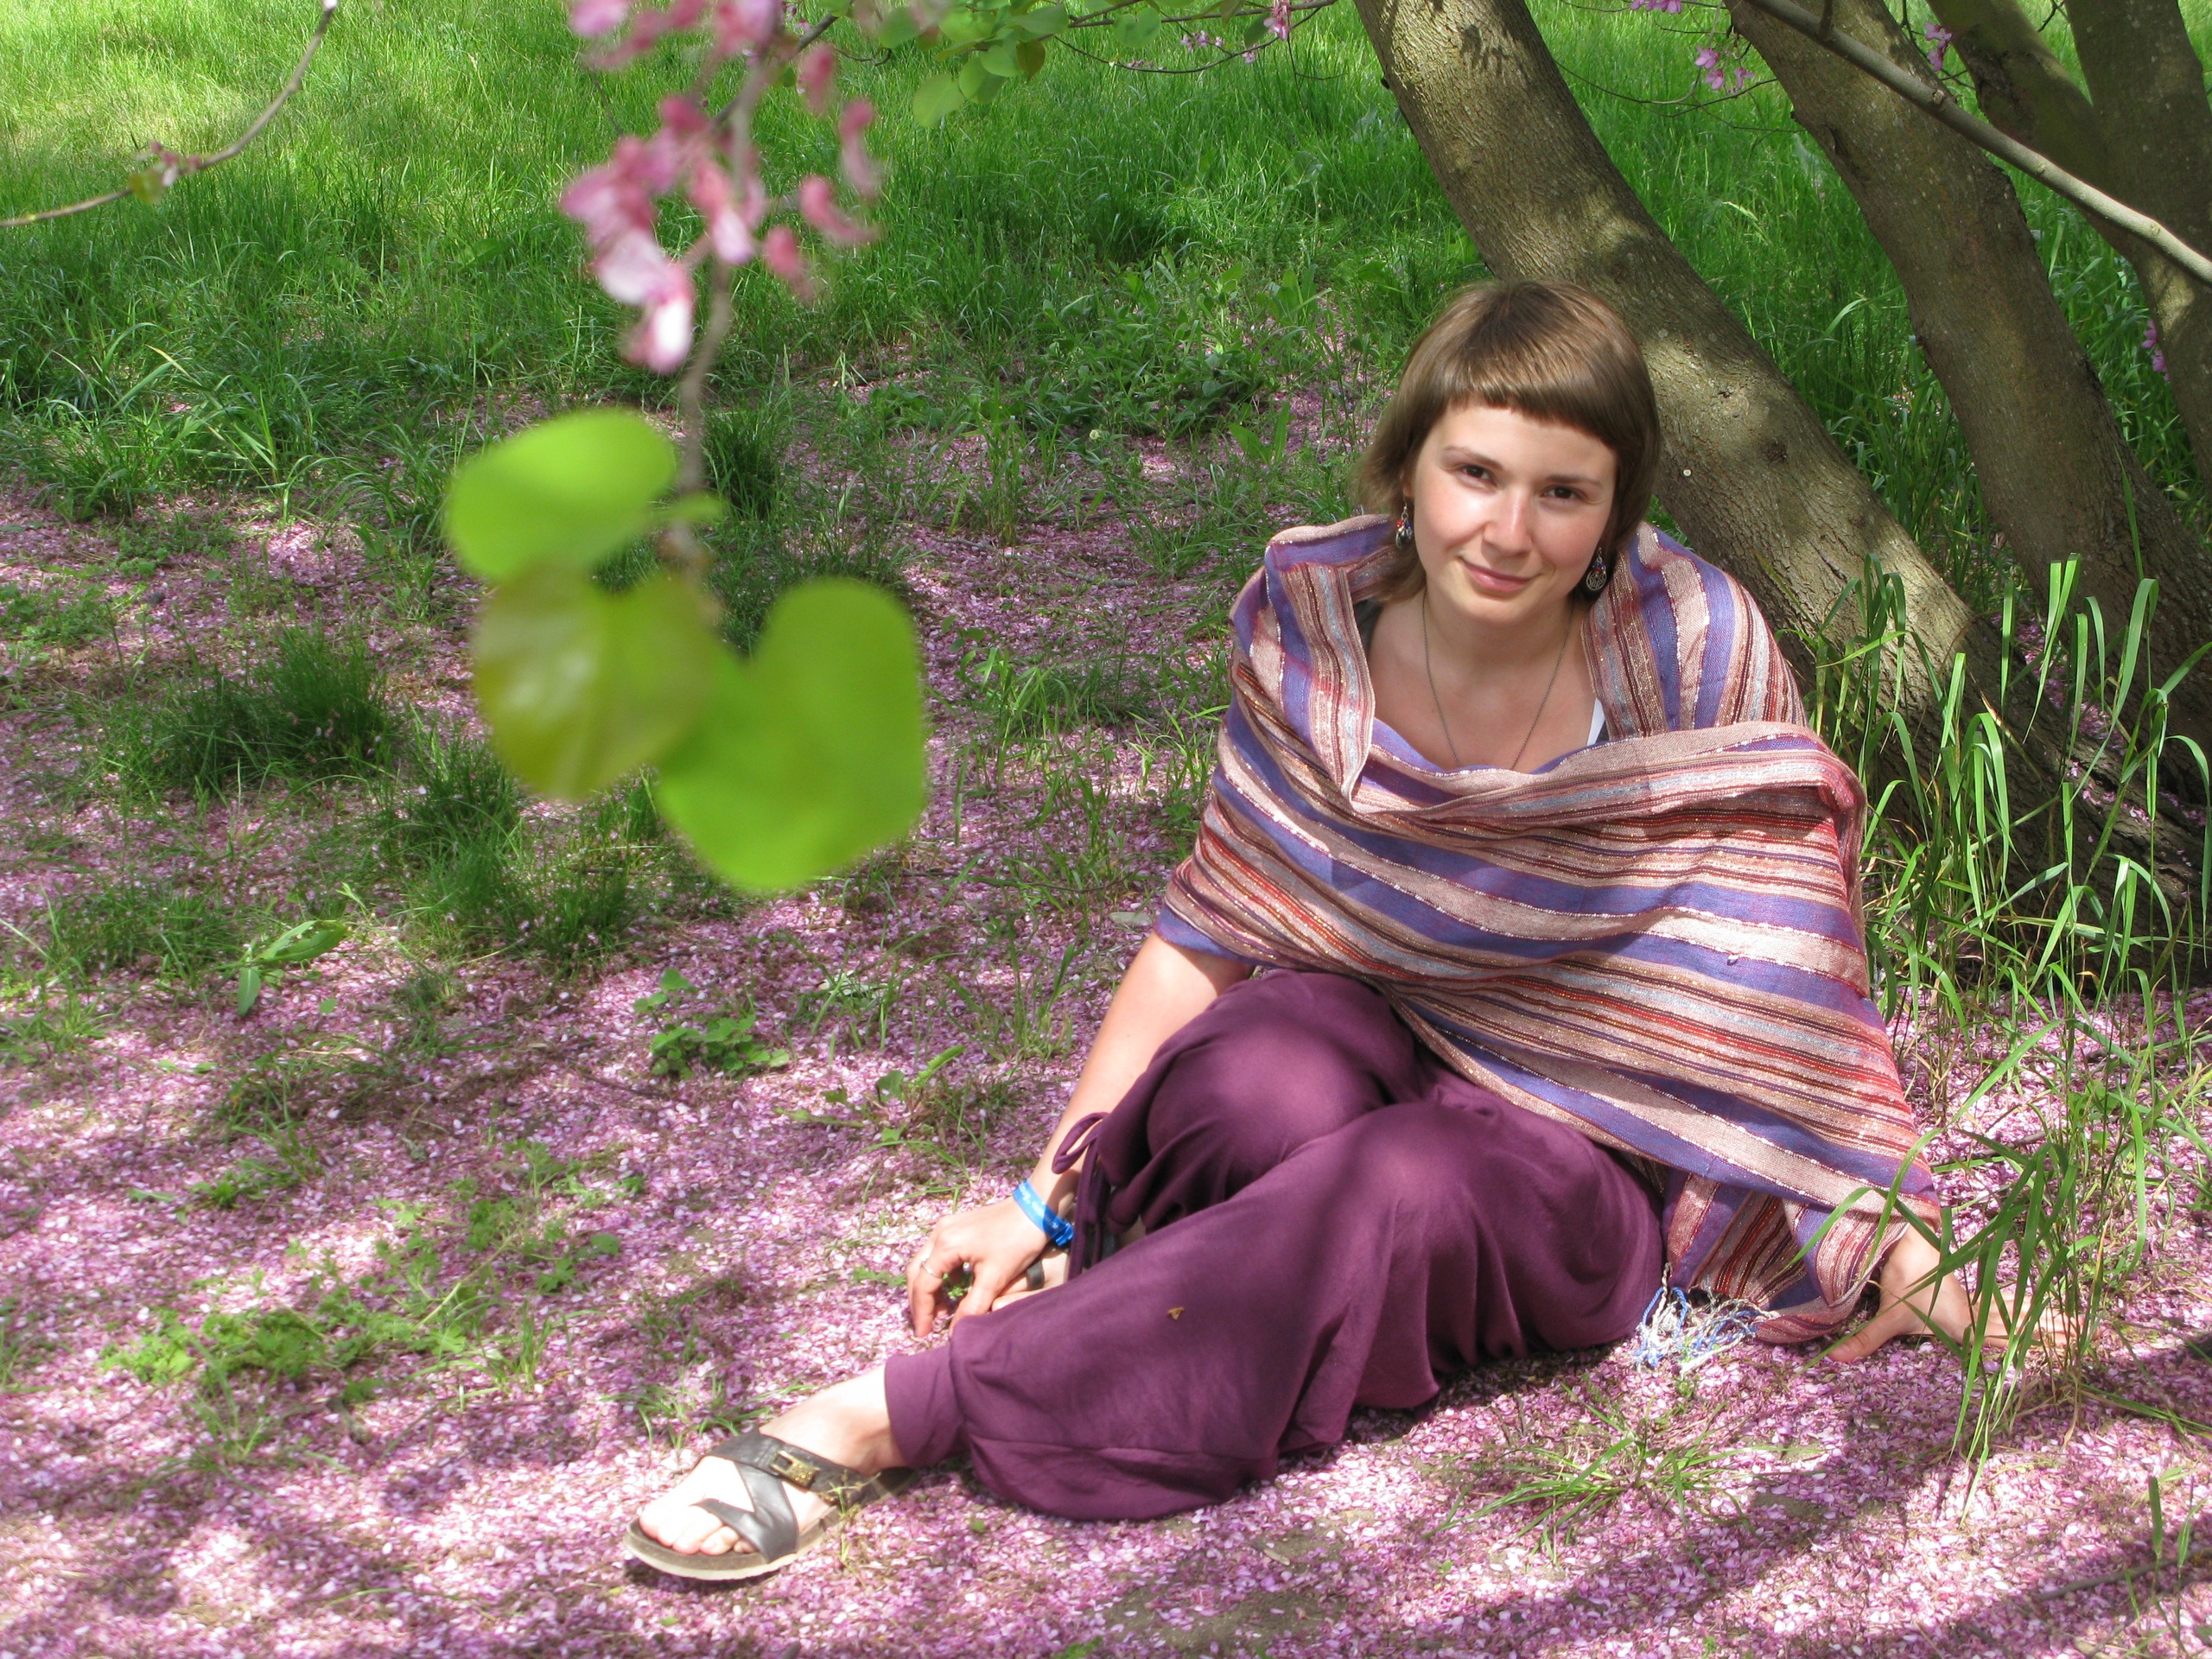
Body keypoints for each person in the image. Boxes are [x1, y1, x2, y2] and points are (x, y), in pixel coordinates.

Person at [624, 281, 1992, 1580]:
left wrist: (1889, 1224)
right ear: (1408, 468)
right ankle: (1148, 1295)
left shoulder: (1688, 647)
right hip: (1376, 1024)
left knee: (1396, 1184)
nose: (1510, 531)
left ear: (1615, 511)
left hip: (1590, 1155)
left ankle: (890, 1415)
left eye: (1563, 493)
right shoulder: (1318, 628)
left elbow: (1780, 981)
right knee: (1249, 1084)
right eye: (1476, 473)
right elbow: (1211, 925)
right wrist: (1043, 1198)